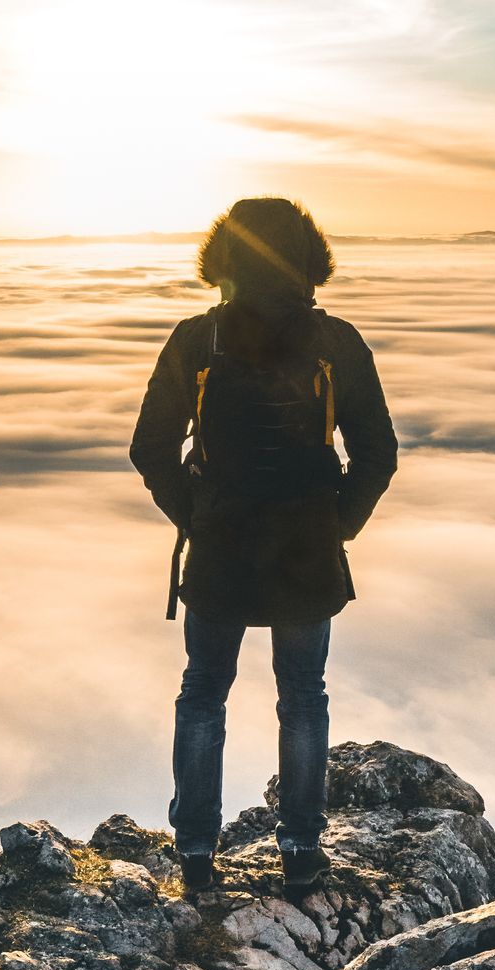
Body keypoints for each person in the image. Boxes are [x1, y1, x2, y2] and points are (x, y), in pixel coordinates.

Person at [129, 197, 397, 898]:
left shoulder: (197, 340)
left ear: (225, 257)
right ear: (308, 257)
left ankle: (195, 853)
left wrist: (195, 513)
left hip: (221, 544)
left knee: (202, 694)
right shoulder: (336, 343)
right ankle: (303, 850)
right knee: (303, 695)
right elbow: (378, 453)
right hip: (307, 546)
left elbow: (150, 447)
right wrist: (338, 525)